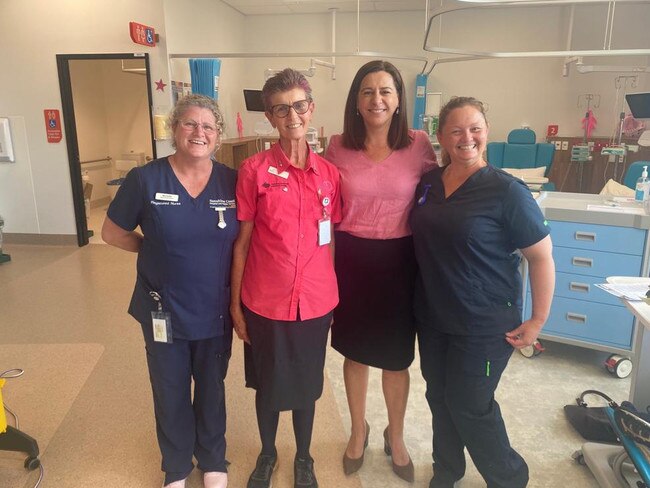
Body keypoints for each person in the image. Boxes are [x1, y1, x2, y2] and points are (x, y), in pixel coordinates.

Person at [410, 96, 555, 488]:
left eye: (475, 128)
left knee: (470, 405)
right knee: (439, 399)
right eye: (456, 130)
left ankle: (509, 478)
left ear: (487, 132)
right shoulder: (427, 185)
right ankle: (447, 471)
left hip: (484, 323)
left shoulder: (507, 191)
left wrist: (538, 319)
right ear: (440, 136)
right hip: (434, 317)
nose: (466, 137)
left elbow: (541, 257)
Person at [102, 94, 236, 488]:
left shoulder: (231, 180)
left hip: (214, 307)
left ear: (218, 135)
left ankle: (213, 459)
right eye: (190, 124)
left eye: (208, 126)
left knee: (211, 386)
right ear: (175, 129)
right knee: (170, 387)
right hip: (162, 307)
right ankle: (176, 466)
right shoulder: (145, 179)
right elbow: (112, 232)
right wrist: (150, 249)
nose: (199, 132)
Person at [325, 59, 437, 482]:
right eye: (368, 91)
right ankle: (358, 432)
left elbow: (439, 198)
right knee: (354, 354)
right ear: (356, 100)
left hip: (400, 261)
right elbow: (323, 207)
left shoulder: (419, 143)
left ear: (398, 100)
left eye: (386, 91)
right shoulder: (337, 146)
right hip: (351, 259)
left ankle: (397, 434)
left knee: (396, 359)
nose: (377, 99)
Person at [230, 68, 341, 488]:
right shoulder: (253, 171)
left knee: (307, 385)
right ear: (270, 116)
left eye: (298, 105)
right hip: (266, 302)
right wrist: (235, 304)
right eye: (281, 108)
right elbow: (241, 243)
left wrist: (330, 294)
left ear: (310, 109)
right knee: (269, 384)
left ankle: (305, 457)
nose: (291, 115)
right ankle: (267, 452)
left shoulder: (330, 175)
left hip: (314, 303)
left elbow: (329, 241)